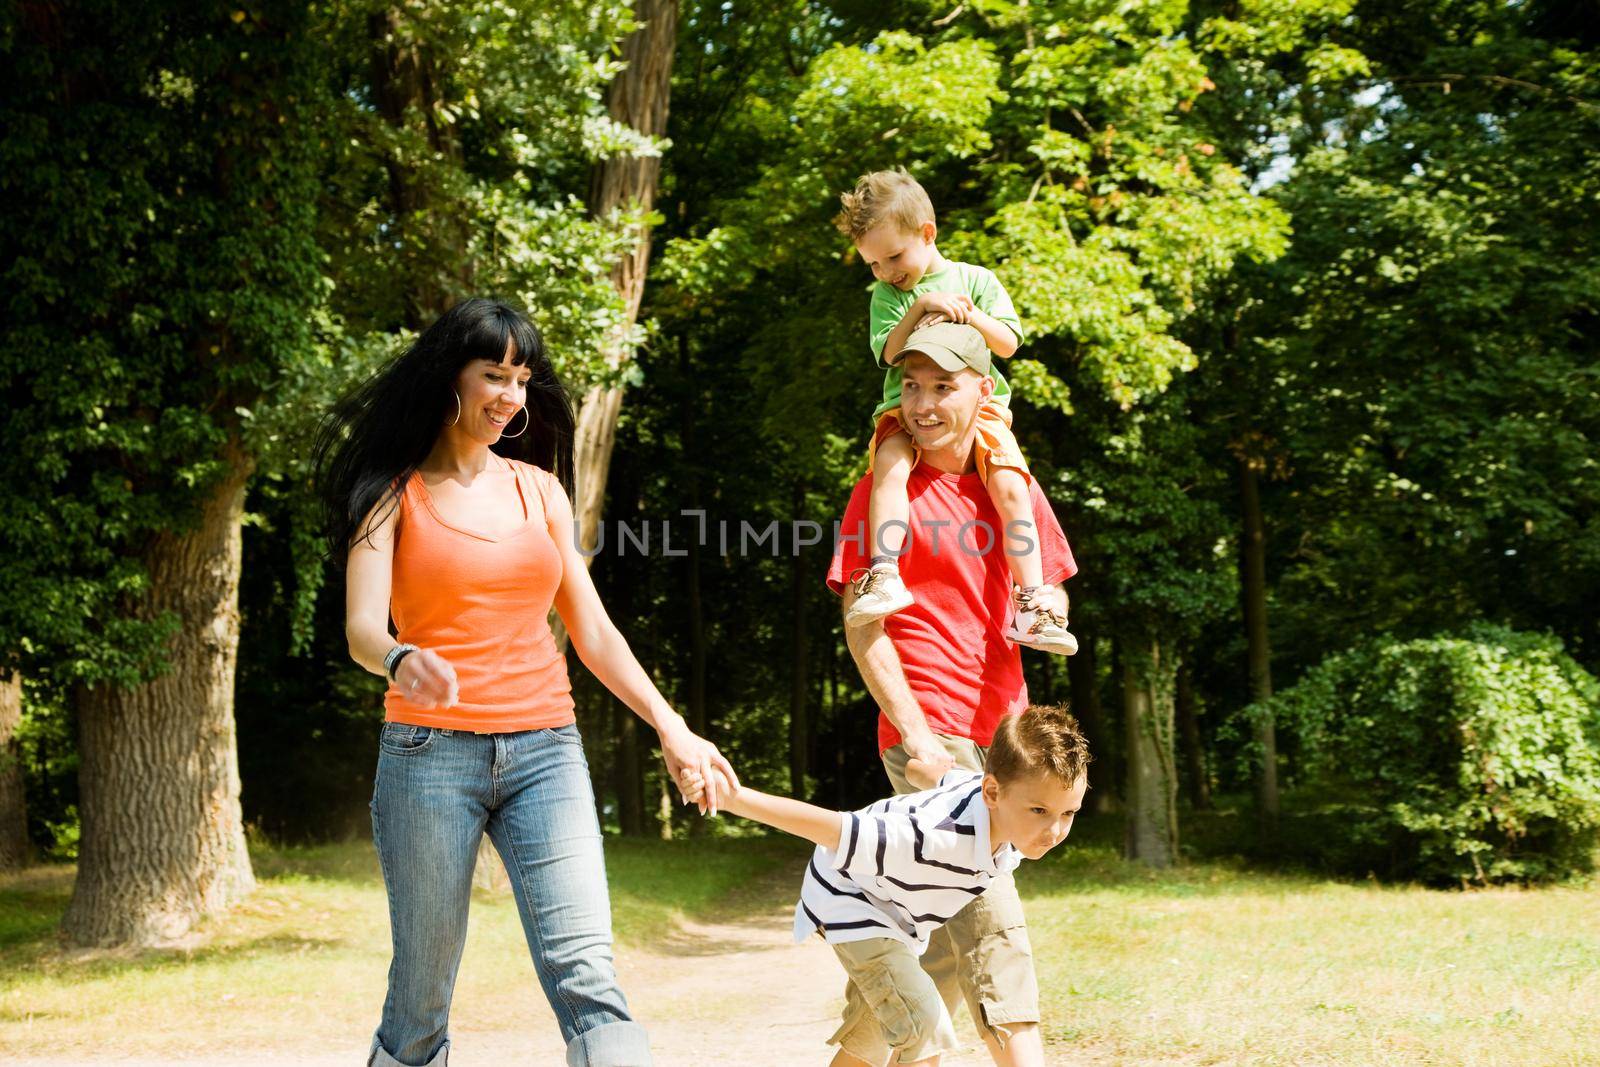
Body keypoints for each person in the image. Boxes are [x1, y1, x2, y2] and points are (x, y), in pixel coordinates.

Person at [314, 297, 737, 1067]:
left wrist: (672, 726)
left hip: (546, 750)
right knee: (421, 997)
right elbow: (362, 630)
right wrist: (405, 659)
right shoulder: (389, 493)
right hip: (428, 754)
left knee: (589, 978)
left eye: (521, 377)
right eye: (493, 374)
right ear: (451, 377)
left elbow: (594, 631)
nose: (511, 394)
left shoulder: (539, 490)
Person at [827, 321, 1079, 1067]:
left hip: (1000, 733)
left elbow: (1050, 597)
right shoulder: (880, 491)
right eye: (911, 385)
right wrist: (917, 736)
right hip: (927, 732)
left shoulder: (1013, 491)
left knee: (926, 932)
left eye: (943, 385)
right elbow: (863, 626)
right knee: (993, 918)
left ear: (982, 391)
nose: (924, 402)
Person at [680, 705, 1090, 1067]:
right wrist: (735, 799)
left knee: (876, 1033)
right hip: (852, 902)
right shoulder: (930, 835)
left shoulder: (1007, 820)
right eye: (1039, 810)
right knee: (923, 1023)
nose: (1053, 830)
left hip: (899, 919)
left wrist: (920, 766)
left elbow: (940, 775)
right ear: (993, 792)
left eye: (1068, 813)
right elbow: (830, 828)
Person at [833, 168, 1075, 656]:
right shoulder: (890, 294)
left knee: (1011, 484)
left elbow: (1007, 343)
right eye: (873, 264)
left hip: (979, 413)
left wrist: (969, 313)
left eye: (894, 257)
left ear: (927, 233)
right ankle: (883, 572)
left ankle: (1031, 601)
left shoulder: (975, 279)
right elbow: (887, 354)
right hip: (902, 410)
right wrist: (919, 304)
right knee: (889, 465)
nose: (885, 272)